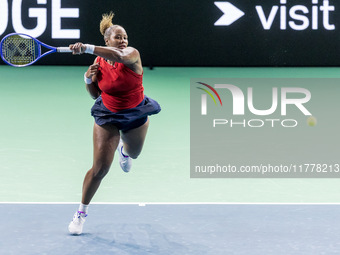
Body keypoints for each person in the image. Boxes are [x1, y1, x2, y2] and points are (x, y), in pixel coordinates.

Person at [67, 12, 161, 235]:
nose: (123, 41)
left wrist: (87, 47)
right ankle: (81, 214)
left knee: (135, 154)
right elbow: (94, 94)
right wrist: (88, 79)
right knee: (100, 169)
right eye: (118, 37)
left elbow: (120, 56)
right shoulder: (99, 61)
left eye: (125, 37)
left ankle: (125, 151)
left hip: (135, 113)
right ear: (107, 40)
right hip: (108, 115)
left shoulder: (131, 54)